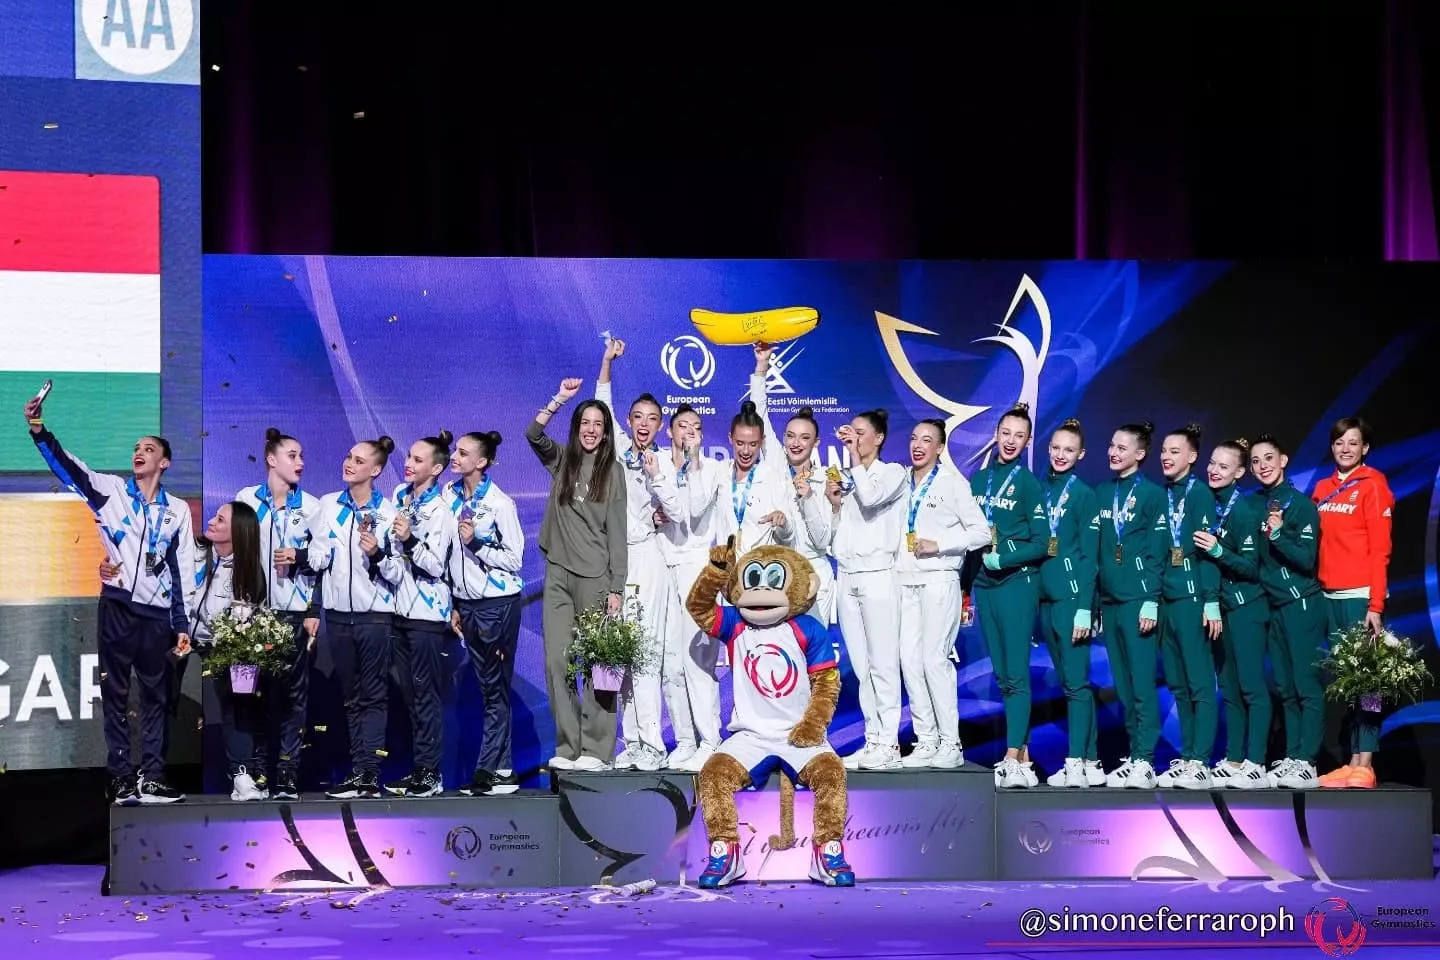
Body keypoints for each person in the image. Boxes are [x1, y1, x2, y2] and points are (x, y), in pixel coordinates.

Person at [27, 395, 195, 805]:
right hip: (118, 608)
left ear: (165, 463)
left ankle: (152, 776)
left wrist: (183, 624)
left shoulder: (177, 512)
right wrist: (39, 430)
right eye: (136, 448)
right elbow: (69, 467)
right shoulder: (110, 492)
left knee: (156, 698)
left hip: (157, 616)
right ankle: (121, 777)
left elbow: (183, 568)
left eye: (149, 449)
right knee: (116, 695)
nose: (139, 453)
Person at [528, 378, 628, 772]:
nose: (590, 430)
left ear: (605, 433)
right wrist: (558, 399)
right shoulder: (562, 460)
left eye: (597, 424)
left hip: (597, 577)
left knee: (600, 665)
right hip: (558, 576)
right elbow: (533, 433)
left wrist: (616, 586)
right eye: (584, 422)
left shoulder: (614, 471)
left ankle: (598, 750)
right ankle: (568, 748)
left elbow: (617, 533)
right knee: (558, 662)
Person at [595, 339, 682, 771]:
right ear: (628, 422)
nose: (645, 424)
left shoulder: (663, 461)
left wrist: (658, 483)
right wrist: (607, 361)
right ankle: (633, 741)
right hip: (614, 562)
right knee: (618, 655)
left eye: (653, 419)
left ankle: (653, 742)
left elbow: (679, 511)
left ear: (661, 425)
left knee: (645, 652)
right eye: (638, 418)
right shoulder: (615, 452)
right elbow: (601, 406)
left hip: (647, 560)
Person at [307, 436, 403, 799]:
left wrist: (377, 553)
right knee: (350, 696)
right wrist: (303, 556)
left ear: (375, 470)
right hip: (338, 616)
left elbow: (396, 572)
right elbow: (319, 556)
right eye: (349, 457)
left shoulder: (389, 513)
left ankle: (368, 773)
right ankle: (356, 770)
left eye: (359, 461)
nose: (349, 463)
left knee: (373, 695)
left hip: (375, 617)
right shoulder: (329, 505)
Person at [895, 419, 989, 769]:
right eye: (914, 438)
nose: (918, 445)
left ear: (940, 447)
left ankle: (952, 743)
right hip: (906, 582)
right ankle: (927, 739)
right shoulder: (902, 481)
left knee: (934, 660)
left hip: (939, 579)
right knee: (909, 660)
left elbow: (981, 532)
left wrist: (941, 545)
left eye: (928, 440)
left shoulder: (952, 484)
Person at [234, 428, 320, 801]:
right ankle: (252, 776)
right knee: (248, 693)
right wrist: (239, 608)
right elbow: (234, 555)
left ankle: (286, 775)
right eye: (292, 455)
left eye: (302, 456)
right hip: (250, 612)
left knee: (291, 697)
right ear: (271, 459)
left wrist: (312, 608)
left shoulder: (312, 507)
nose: (300, 462)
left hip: (291, 613)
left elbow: (323, 561)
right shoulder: (245, 500)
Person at [969, 403, 1049, 788]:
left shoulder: (1031, 484)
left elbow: (1043, 543)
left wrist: (1006, 557)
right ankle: (1024, 757)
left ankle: (1012, 755)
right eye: (1006, 433)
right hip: (984, 584)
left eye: (1019, 435)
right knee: (1003, 676)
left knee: (1016, 675)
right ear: (996, 434)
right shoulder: (979, 481)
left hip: (1017, 582)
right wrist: (967, 586)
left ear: (1028, 440)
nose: (1011, 441)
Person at [1313, 417, 1395, 790]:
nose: (1345, 449)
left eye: (1353, 443)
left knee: (1369, 684)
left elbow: (1381, 551)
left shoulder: (1373, 485)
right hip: (1327, 596)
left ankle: (1367, 762)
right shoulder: (1322, 488)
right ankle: (1351, 762)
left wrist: (1375, 604)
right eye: (1339, 442)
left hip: (1360, 596)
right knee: (1346, 684)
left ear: (1365, 449)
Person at [444, 431, 526, 796]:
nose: (454, 457)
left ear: (481, 462)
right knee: (489, 689)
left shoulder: (500, 503)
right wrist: (453, 603)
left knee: (494, 689)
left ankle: (485, 770)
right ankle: (504, 770)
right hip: (467, 604)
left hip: (498, 605)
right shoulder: (448, 496)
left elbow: (514, 560)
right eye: (455, 451)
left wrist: (476, 543)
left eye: (463, 453)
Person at [829, 409, 909, 770]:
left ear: (878, 438)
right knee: (861, 666)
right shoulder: (847, 477)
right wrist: (833, 504)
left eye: (862, 434)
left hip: (878, 574)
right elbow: (838, 530)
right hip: (847, 575)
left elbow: (873, 498)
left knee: (882, 664)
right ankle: (873, 737)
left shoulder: (892, 473)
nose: (855, 439)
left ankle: (889, 742)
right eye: (851, 433)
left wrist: (855, 460)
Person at [1090, 421, 1166, 789]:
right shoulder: (1101, 492)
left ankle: (1145, 759)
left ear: (1140, 453)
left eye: (1122, 447)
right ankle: (1134, 756)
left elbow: (1157, 552)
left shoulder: (1153, 494)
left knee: (1141, 684)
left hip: (1139, 601)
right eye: (1111, 445)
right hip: (1110, 601)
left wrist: (1151, 599)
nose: (1113, 452)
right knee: (1121, 685)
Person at [1248, 433, 1325, 789]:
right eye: (1255, 461)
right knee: (1284, 686)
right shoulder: (1256, 505)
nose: (1261, 466)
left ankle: (1307, 761)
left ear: (1283, 461)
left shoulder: (1301, 505)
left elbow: (1307, 560)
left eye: (1268, 458)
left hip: (1301, 603)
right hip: (1273, 606)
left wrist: (1279, 535)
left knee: (1306, 686)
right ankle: (1293, 757)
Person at [385, 432, 459, 798]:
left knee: (426, 696)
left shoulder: (442, 511)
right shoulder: (400, 496)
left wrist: (411, 539)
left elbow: (434, 565)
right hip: (398, 608)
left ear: (437, 468)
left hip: (428, 615)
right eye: (409, 457)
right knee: (410, 697)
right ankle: (419, 769)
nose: (409, 463)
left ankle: (431, 773)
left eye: (417, 459)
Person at [1194, 438, 1270, 789]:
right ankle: (1235, 757)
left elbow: (1253, 568)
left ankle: (1256, 761)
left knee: (1252, 687)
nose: (1214, 470)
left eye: (1223, 467)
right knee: (1230, 686)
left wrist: (1220, 550)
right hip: (1221, 608)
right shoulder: (1210, 501)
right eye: (1212, 463)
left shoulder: (1242, 511)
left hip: (1247, 608)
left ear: (1240, 473)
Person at [654, 405, 724, 772]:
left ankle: (710, 739)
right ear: (669, 431)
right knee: (668, 660)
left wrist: (694, 463)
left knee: (697, 659)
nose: (689, 433)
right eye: (682, 427)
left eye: (696, 427)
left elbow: (694, 510)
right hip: (662, 565)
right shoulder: (656, 463)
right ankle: (684, 739)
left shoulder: (710, 468)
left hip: (696, 566)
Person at [187, 502, 272, 801]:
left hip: (230, 654)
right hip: (191, 648)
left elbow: (241, 630)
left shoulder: (247, 573)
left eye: (220, 520)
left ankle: (244, 776)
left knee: (239, 706)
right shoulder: (202, 555)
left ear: (237, 532)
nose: (211, 521)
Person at [1153, 425, 1221, 790]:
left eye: (1175, 451)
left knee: (1199, 685)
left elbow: (1209, 554)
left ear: (1192, 457)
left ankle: (1201, 760)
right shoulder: (1162, 494)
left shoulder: (1200, 496)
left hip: (1193, 600)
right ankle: (1187, 756)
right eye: (1164, 450)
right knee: (1178, 685)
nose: (1166, 456)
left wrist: (1211, 602)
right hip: (1165, 600)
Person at [1037, 419, 1104, 788]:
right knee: (1070, 683)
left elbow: (1090, 556)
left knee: (1076, 685)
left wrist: (1084, 607)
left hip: (1071, 598)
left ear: (1081, 455)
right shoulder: (1040, 487)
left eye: (1069, 450)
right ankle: (1091, 761)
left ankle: (1076, 760)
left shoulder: (1084, 495)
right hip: (1046, 600)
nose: (1061, 455)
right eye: (1056, 448)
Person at [750, 344, 834, 626]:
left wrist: (808, 497)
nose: (795, 443)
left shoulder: (825, 481)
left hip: (814, 573)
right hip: (778, 572)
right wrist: (761, 368)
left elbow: (823, 541)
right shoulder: (775, 461)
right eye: (790, 436)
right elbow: (760, 413)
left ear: (816, 443)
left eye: (804, 438)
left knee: (816, 660)